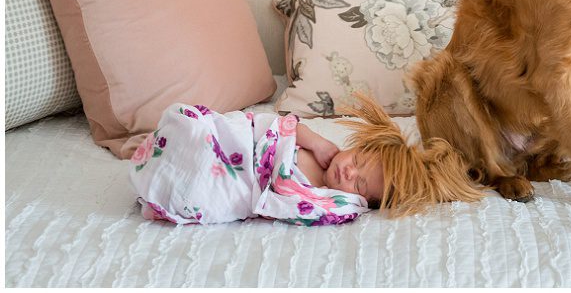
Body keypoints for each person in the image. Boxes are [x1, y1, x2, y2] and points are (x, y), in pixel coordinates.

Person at [130, 93, 482, 226]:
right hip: (239, 145)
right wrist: (314, 141)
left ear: (364, 199)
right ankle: (180, 150)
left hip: (244, 182)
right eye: (358, 159)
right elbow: (279, 126)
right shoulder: (325, 148)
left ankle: (174, 185)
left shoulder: (338, 201)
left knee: (206, 195)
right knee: (193, 130)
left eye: (358, 183)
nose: (348, 171)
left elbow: (298, 207)